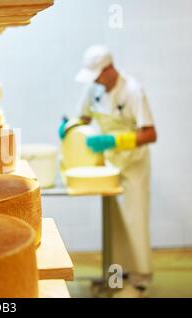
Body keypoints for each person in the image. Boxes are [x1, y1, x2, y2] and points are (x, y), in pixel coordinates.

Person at [60, 45, 158, 298]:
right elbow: (83, 119)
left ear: (110, 69)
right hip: (110, 166)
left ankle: (139, 281)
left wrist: (113, 141)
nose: (95, 81)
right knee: (114, 226)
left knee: (134, 222)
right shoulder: (93, 88)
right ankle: (116, 278)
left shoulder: (133, 91)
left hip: (134, 166)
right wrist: (69, 127)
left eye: (98, 75)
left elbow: (150, 133)